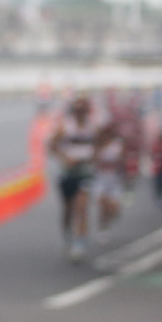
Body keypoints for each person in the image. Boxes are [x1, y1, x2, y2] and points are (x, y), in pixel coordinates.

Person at [49, 94, 109, 262]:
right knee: (68, 210)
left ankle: (79, 243)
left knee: (81, 208)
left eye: (84, 109)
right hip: (67, 173)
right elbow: (52, 146)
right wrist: (65, 158)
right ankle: (67, 235)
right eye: (78, 109)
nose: (81, 112)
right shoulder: (65, 127)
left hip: (85, 173)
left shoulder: (93, 128)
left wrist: (94, 157)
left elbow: (101, 144)